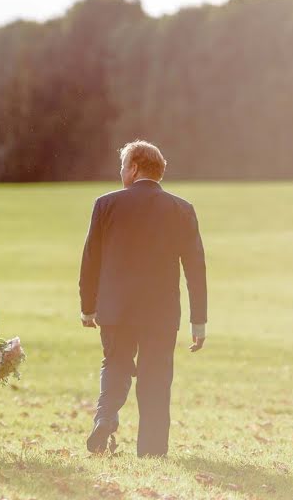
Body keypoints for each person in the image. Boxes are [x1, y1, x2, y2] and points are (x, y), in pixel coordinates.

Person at [79, 140, 207, 457]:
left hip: (115, 308)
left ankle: (105, 417)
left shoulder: (105, 205)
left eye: (123, 166)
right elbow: (195, 267)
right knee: (156, 378)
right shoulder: (181, 209)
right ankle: (151, 451)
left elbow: (90, 259)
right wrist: (199, 320)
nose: (121, 172)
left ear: (133, 168)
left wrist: (87, 307)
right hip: (160, 312)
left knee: (115, 364)